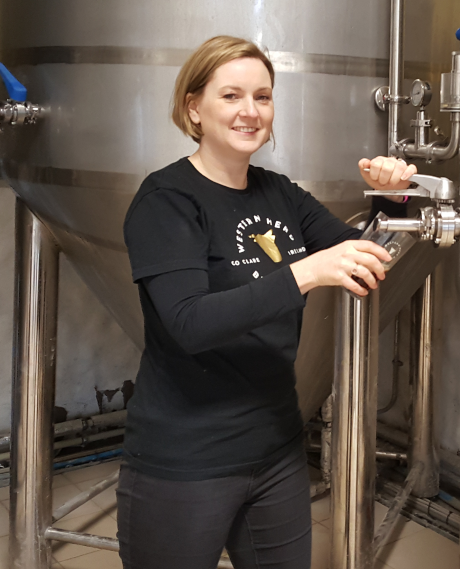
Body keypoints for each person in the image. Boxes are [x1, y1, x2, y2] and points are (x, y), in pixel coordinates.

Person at [117, 35, 416, 569]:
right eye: (230, 96)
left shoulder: (280, 193)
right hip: (187, 458)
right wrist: (301, 274)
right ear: (194, 107)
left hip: (275, 448)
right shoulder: (167, 201)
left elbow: (366, 259)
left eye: (263, 96)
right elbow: (190, 322)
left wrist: (388, 200)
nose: (250, 112)